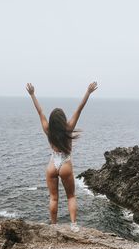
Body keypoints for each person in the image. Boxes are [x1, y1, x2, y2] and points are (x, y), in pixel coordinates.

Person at [26, 82, 98, 232]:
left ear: (52, 121)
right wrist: (88, 92)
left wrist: (32, 94)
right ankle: (73, 224)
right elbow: (79, 109)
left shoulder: (47, 129)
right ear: (62, 120)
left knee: (53, 198)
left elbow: (40, 112)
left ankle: (53, 226)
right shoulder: (68, 128)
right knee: (71, 196)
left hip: (53, 163)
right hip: (65, 163)